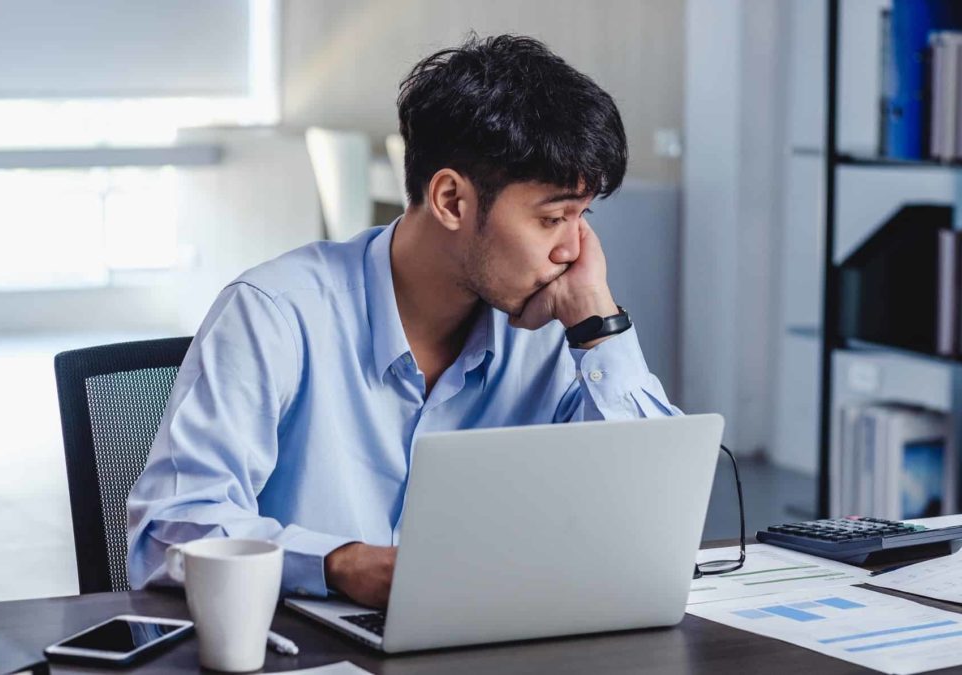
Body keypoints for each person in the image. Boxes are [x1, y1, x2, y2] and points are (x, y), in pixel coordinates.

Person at [127, 34, 679, 609]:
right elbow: (170, 529)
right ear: (450, 200)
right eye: (553, 219)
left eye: (582, 217)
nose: (575, 251)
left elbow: (654, 520)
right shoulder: (274, 313)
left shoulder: (558, 325)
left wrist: (600, 326)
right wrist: (337, 564)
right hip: (305, 649)